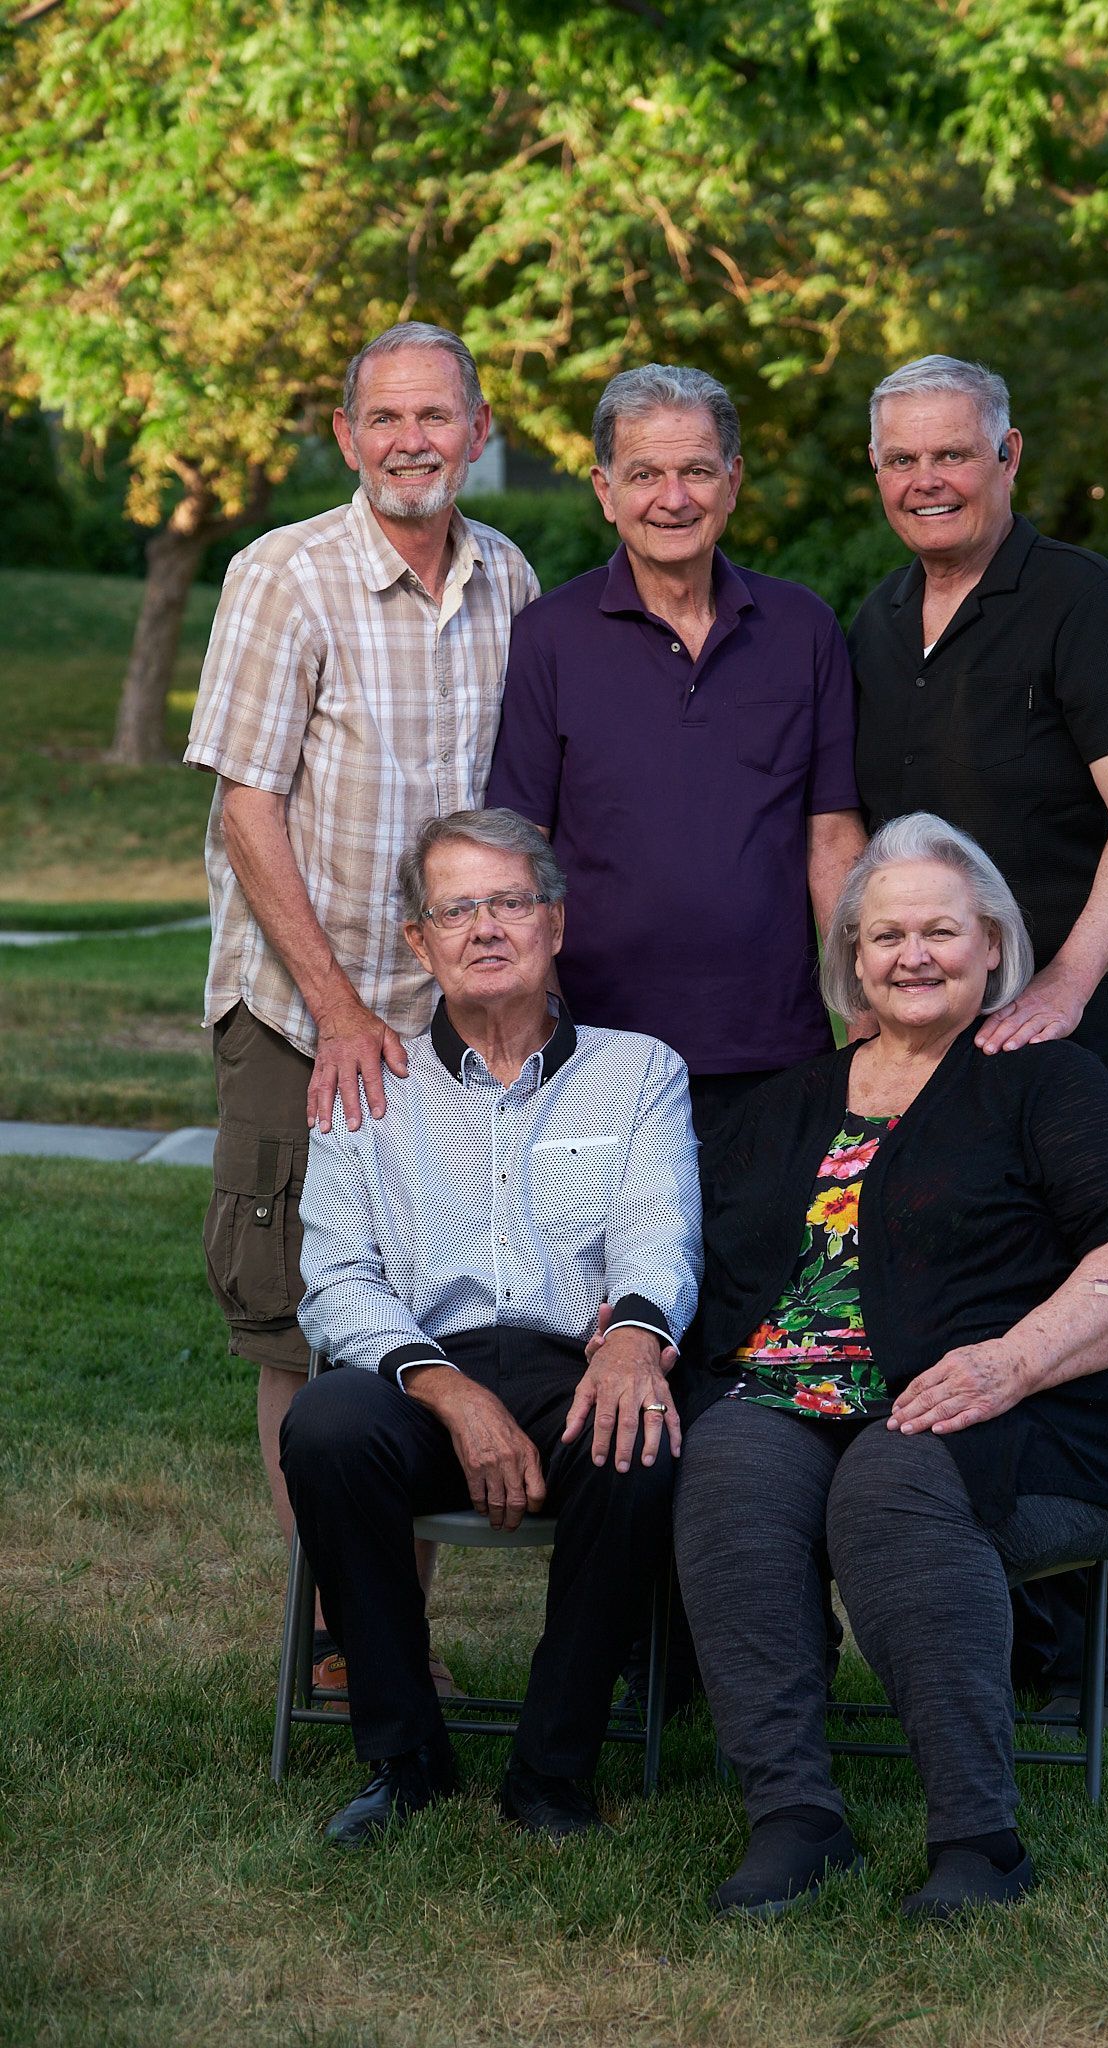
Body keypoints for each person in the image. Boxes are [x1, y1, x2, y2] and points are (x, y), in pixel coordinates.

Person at [672, 813, 1108, 1920]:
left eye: (940, 931)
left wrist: (1007, 1365)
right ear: (852, 961)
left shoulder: (1042, 1081)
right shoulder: (789, 1102)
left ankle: (978, 1834)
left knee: (899, 1475)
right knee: (726, 1462)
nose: (913, 954)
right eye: (886, 936)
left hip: (1048, 1408)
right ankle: (795, 1814)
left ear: (991, 947)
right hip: (799, 1393)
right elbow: (702, 1256)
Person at [185, 322, 539, 1695]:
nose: (410, 440)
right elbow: (247, 806)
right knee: (298, 1326)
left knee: (429, 1323)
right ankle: (346, 1640)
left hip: (454, 1035)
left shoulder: (509, 575)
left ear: (478, 427)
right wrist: (337, 1012)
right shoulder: (286, 575)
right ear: (345, 438)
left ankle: (396, 1634)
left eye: (435, 417)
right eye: (383, 418)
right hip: (303, 1018)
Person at [848, 354, 1108, 1726]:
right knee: (931, 1312)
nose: (926, 480)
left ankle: (1095, 1655)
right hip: (921, 1038)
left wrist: (1062, 986)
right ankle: (980, 1621)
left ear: (1007, 457)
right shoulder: (875, 619)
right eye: (900, 462)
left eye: (951, 454)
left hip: (1058, 1044)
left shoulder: (1080, 604)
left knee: (1071, 1322)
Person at [280, 808, 701, 1845]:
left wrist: (635, 1340)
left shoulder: (639, 1069)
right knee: (327, 1425)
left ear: (555, 921)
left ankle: (552, 1772)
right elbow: (335, 1277)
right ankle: (403, 1758)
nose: (486, 927)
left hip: (577, 1362)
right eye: (456, 908)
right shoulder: (365, 1080)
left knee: (638, 1435)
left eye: (509, 900)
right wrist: (446, 1387)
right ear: (420, 942)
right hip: (425, 1378)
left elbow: (662, 1235)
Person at [485, 362, 868, 1146]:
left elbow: (831, 839)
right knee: (610, 1270)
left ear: (732, 480)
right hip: (596, 1048)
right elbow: (521, 855)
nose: (673, 497)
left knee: (763, 1268)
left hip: (776, 1043)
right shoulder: (549, 638)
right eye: (644, 474)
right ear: (603, 490)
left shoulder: (803, 630)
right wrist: (540, 1026)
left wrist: (859, 1012)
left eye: (696, 470)